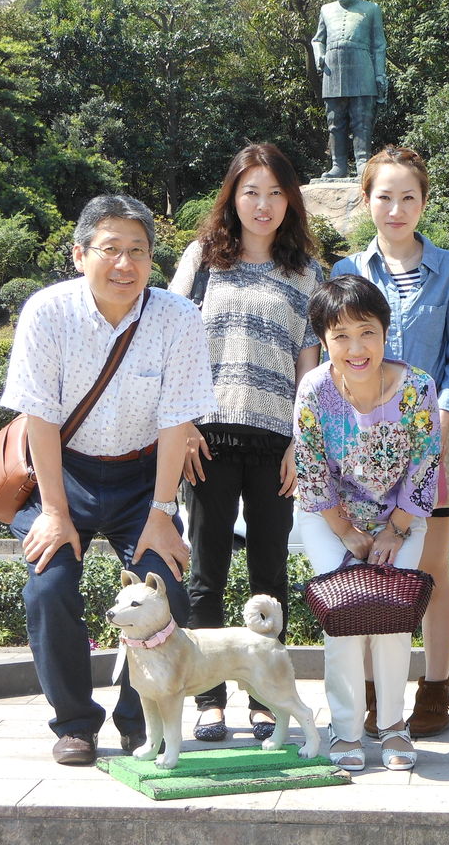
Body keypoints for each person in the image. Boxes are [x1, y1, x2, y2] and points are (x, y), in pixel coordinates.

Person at [1, 193, 218, 766]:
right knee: (48, 588)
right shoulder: (47, 312)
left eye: (138, 251)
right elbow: (39, 417)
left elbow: (177, 421)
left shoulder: (178, 317)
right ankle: (74, 724)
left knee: (169, 590)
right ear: (80, 255)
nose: (125, 264)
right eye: (110, 249)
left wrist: (162, 512)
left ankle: (135, 718)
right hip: (63, 472)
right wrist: (54, 511)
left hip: (144, 477)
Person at [169, 143, 323, 743]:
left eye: (275, 193)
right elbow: (173, 343)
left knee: (269, 572)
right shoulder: (203, 259)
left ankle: (264, 698)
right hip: (207, 437)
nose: (263, 205)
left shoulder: (306, 271)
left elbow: (310, 369)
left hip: (276, 443)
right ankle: (208, 700)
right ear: (232, 196)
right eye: (251, 192)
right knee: (206, 572)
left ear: (291, 200)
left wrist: (300, 443)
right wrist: (182, 426)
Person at [331, 146, 449, 737]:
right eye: (384, 196)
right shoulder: (347, 269)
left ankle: (435, 691)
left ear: (423, 201)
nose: (396, 209)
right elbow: (338, 353)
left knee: (430, 572)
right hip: (360, 452)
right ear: (367, 200)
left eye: (408, 197)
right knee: (369, 570)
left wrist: (437, 425)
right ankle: (373, 692)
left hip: (430, 445)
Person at [294, 275, 441, 771]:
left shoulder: (418, 388)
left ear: (385, 331)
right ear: (323, 340)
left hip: (401, 519)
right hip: (329, 519)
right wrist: (346, 532)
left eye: (367, 332)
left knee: (393, 621)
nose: (356, 348)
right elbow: (311, 468)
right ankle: (346, 729)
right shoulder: (314, 389)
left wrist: (394, 530)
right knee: (344, 621)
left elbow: (425, 463)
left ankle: (393, 725)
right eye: (340, 336)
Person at [312, 0, 387, 178]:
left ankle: (363, 162)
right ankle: (338, 165)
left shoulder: (371, 9)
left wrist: (380, 75)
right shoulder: (326, 9)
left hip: (362, 67)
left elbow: (379, 45)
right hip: (332, 69)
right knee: (334, 121)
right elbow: (318, 39)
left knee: (362, 119)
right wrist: (319, 54)